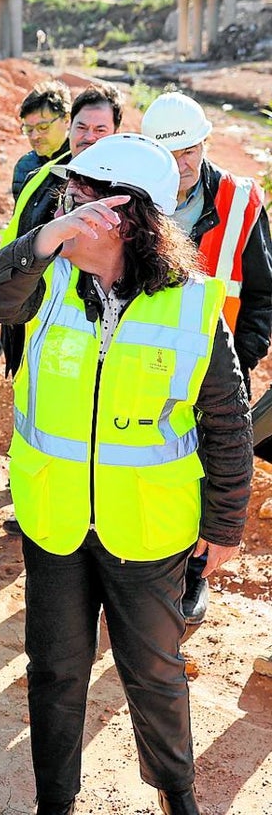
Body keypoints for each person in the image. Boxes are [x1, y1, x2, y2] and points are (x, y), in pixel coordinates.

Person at [0, 133, 251, 815]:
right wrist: (45, 238)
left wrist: (223, 524)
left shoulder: (191, 304)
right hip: (56, 520)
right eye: (69, 196)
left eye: (84, 199)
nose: (69, 208)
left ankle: (176, 794)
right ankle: (54, 801)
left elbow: (226, 421)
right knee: (56, 673)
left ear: (128, 218)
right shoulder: (47, 282)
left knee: (154, 674)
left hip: (149, 527)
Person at [142, 91, 272, 626]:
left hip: (220, 367)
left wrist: (241, 361)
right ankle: (153, 564)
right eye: (169, 156)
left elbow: (262, 292)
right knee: (155, 462)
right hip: (150, 364)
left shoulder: (242, 201)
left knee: (210, 470)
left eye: (189, 153)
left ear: (204, 144)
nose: (180, 167)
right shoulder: (138, 197)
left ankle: (195, 577)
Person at [12, 81, 72, 203]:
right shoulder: (25, 167)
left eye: (43, 127)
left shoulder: (80, 164)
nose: (34, 137)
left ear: (66, 119)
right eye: (28, 129)